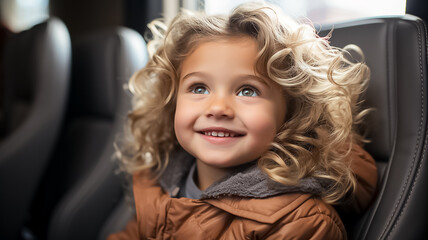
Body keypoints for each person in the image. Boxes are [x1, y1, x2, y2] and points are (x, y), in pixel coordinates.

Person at [108, 2, 377, 239]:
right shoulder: (162, 182)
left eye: (248, 90)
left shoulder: (302, 222)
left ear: (292, 113)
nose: (218, 108)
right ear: (172, 101)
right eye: (199, 88)